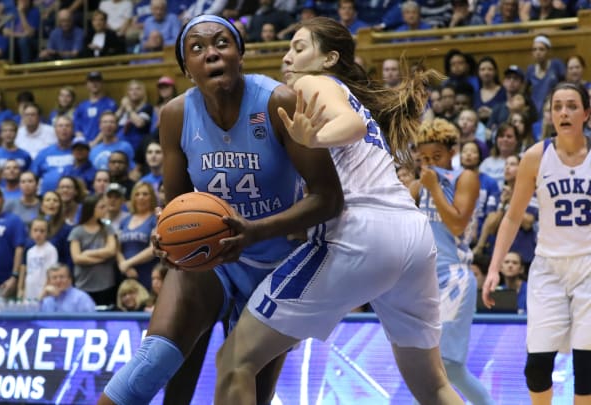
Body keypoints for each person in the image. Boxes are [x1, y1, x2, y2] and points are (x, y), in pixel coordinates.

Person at [213, 17, 463, 405]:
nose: (288, 57)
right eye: (287, 48)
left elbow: (349, 126)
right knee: (433, 386)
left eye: (299, 48)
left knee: (234, 360)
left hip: (360, 232)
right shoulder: (349, 95)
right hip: (413, 237)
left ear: (328, 59)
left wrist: (315, 136)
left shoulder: (312, 83)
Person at [99, 14, 344, 405]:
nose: (211, 53)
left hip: (274, 268)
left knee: (244, 394)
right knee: (152, 363)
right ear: (186, 68)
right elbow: (177, 205)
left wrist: (254, 231)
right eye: (197, 48)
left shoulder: (278, 100)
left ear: (240, 55)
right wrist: (166, 238)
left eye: (221, 44)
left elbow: (329, 198)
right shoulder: (176, 115)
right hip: (208, 257)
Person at [482, 82, 591, 404]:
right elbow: (513, 217)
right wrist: (492, 269)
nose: (563, 112)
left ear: (586, 113)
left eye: (571, 105)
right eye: (557, 106)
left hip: (589, 265)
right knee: (536, 367)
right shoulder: (535, 156)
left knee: (586, 369)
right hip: (548, 268)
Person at [410, 118, 494, 404]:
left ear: (452, 152)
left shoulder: (464, 178)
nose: (430, 163)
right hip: (426, 281)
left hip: (455, 278)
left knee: (452, 368)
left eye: (437, 157)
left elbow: (458, 224)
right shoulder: (417, 186)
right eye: (424, 158)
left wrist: (432, 188)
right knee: (427, 369)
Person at [69, 194, 118, 306]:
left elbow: (111, 250)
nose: (105, 209)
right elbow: (77, 258)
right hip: (84, 283)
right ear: (91, 209)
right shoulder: (77, 231)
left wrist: (88, 253)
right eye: (101, 207)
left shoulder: (107, 228)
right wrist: (102, 259)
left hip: (105, 283)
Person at [19, 218, 57, 300]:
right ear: (30, 232)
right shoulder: (30, 251)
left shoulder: (50, 250)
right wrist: (23, 290)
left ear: (47, 233)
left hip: (43, 292)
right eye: (35, 230)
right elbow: (28, 273)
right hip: (30, 291)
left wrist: (44, 292)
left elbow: (51, 273)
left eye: (42, 231)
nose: (38, 234)